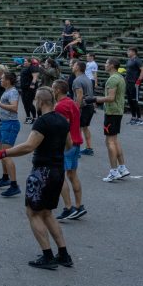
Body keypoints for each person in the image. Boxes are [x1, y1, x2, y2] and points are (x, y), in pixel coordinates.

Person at [0, 87, 74, 270]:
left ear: (40, 102)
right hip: (58, 171)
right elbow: (69, 145)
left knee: (33, 212)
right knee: (47, 212)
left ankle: (48, 256)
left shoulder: (42, 122)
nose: (34, 103)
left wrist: (3, 153)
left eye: (35, 100)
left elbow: (28, 146)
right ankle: (64, 254)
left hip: (42, 172)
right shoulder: (62, 121)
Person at [50, 79, 86, 221]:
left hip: (67, 145)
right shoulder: (71, 102)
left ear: (58, 90)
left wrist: (64, 145)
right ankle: (78, 206)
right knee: (72, 175)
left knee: (60, 176)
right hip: (76, 142)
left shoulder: (60, 106)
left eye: (53, 88)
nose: (52, 90)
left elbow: (64, 128)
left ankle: (68, 207)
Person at [92, 58, 129, 182]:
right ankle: (122, 168)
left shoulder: (112, 79)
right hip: (117, 111)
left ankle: (114, 171)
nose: (105, 65)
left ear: (112, 66)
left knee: (110, 142)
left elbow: (110, 98)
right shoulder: (119, 77)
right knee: (114, 140)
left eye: (107, 63)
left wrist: (94, 99)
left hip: (112, 112)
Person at [71, 61, 95, 156]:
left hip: (82, 107)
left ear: (77, 67)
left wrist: (76, 109)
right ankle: (89, 148)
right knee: (85, 127)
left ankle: (76, 151)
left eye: (74, 65)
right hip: (89, 107)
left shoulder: (77, 80)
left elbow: (79, 96)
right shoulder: (87, 78)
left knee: (77, 128)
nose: (72, 66)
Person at [125, 47, 143, 125]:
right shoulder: (129, 60)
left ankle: (140, 119)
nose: (127, 53)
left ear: (133, 52)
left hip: (135, 83)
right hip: (128, 83)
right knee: (130, 101)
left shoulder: (137, 60)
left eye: (128, 51)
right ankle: (133, 117)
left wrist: (139, 80)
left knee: (135, 100)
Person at [19, 58, 40, 124]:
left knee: (29, 103)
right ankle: (28, 117)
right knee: (25, 103)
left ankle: (34, 118)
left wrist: (33, 84)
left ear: (29, 62)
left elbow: (35, 77)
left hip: (30, 89)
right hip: (24, 88)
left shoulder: (32, 68)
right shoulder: (24, 67)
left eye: (25, 61)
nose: (24, 62)